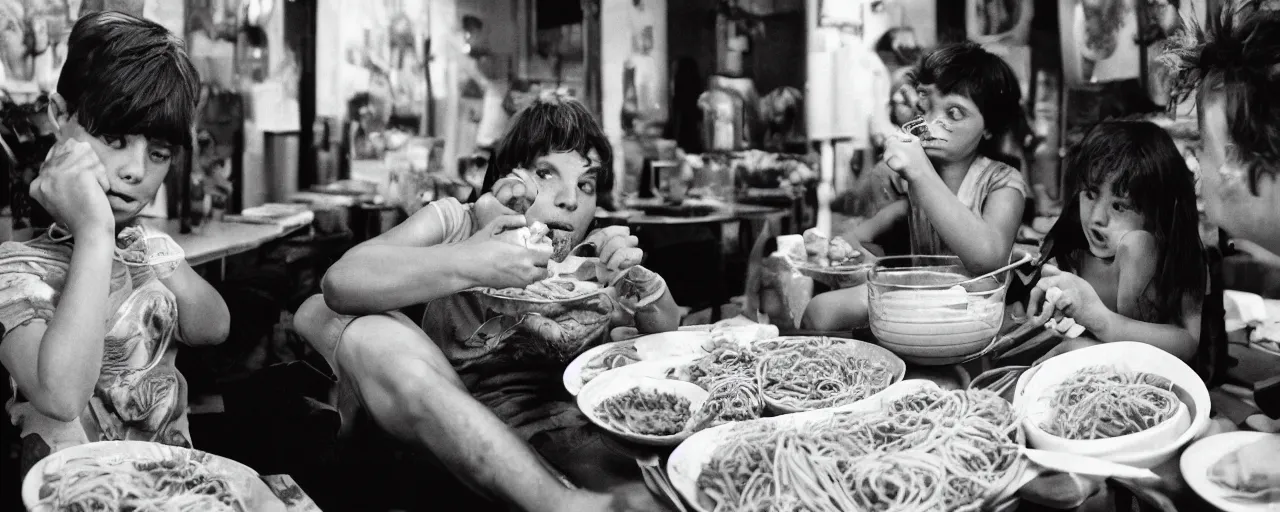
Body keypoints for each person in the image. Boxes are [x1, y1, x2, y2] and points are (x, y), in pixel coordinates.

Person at [293, 92, 680, 512]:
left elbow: (666, 328)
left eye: (586, 184)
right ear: (508, 176)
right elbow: (340, 283)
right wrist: (473, 259)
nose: (571, 198)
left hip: (572, 434)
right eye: (546, 173)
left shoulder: (589, 260)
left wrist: (643, 286)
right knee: (348, 324)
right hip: (459, 424)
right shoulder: (459, 222)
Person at [0, 11, 228, 478]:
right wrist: (94, 233)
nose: (135, 170)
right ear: (60, 117)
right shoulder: (16, 270)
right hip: (71, 492)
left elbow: (213, 327)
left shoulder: (145, 248)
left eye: (158, 153)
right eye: (113, 138)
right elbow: (61, 396)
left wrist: (151, 253)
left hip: (168, 483)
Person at [802, 42, 1028, 331]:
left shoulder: (1002, 182)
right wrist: (860, 263)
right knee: (819, 311)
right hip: (921, 300)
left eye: (954, 113)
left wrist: (920, 172)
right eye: (926, 108)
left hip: (976, 314)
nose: (932, 123)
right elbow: (861, 237)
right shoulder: (911, 184)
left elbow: (988, 257)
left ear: (989, 127)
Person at [1025, 121, 1206, 363]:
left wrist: (1103, 325)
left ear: (1157, 214)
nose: (1097, 218)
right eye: (1090, 194)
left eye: (1119, 206)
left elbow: (1188, 342)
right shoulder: (1077, 246)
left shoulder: (1180, 256)